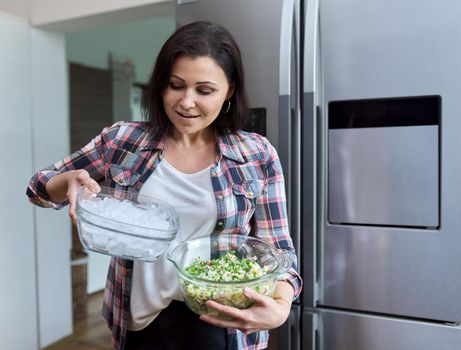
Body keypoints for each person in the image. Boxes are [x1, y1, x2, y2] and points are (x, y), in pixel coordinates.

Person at [27, 21, 302, 350]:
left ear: (229, 91)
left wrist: (281, 308)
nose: (187, 102)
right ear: (161, 85)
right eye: (176, 85)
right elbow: (38, 188)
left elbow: (282, 251)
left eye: (204, 90)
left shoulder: (256, 155)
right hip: (141, 322)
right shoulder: (123, 141)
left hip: (224, 323)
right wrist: (67, 181)